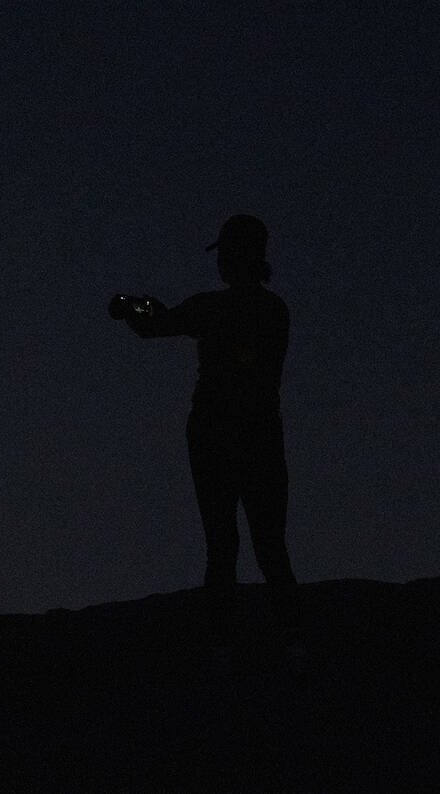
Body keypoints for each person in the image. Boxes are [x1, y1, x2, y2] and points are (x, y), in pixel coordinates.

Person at [116, 214, 301, 648]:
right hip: (261, 431)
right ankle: (294, 642)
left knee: (222, 541)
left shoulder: (211, 307)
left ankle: (223, 645)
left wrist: (131, 309)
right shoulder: (275, 309)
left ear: (236, 257)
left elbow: (153, 326)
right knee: (270, 544)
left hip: (214, 430)